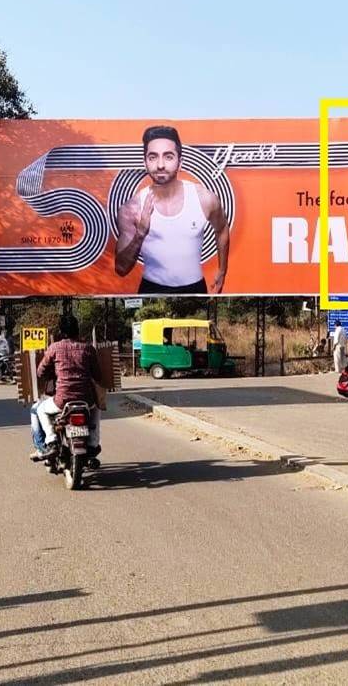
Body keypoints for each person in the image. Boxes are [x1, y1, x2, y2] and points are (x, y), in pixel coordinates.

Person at [114, 125, 231, 294]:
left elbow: (222, 230)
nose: (160, 165)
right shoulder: (131, 209)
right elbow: (121, 269)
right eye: (153, 157)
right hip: (150, 291)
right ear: (144, 162)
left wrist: (222, 270)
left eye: (168, 157)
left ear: (180, 162)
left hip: (195, 291)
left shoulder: (204, 199)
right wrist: (140, 233)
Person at [34, 314, 106, 461]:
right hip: (86, 399)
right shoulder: (88, 349)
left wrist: (52, 373)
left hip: (62, 400)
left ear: (61, 331)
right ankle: (93, 443)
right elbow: (98, 376)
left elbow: (40, 372)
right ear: (77, 330)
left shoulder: (54, 348)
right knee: (97, 408)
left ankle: (51, 440)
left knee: (39, 409)